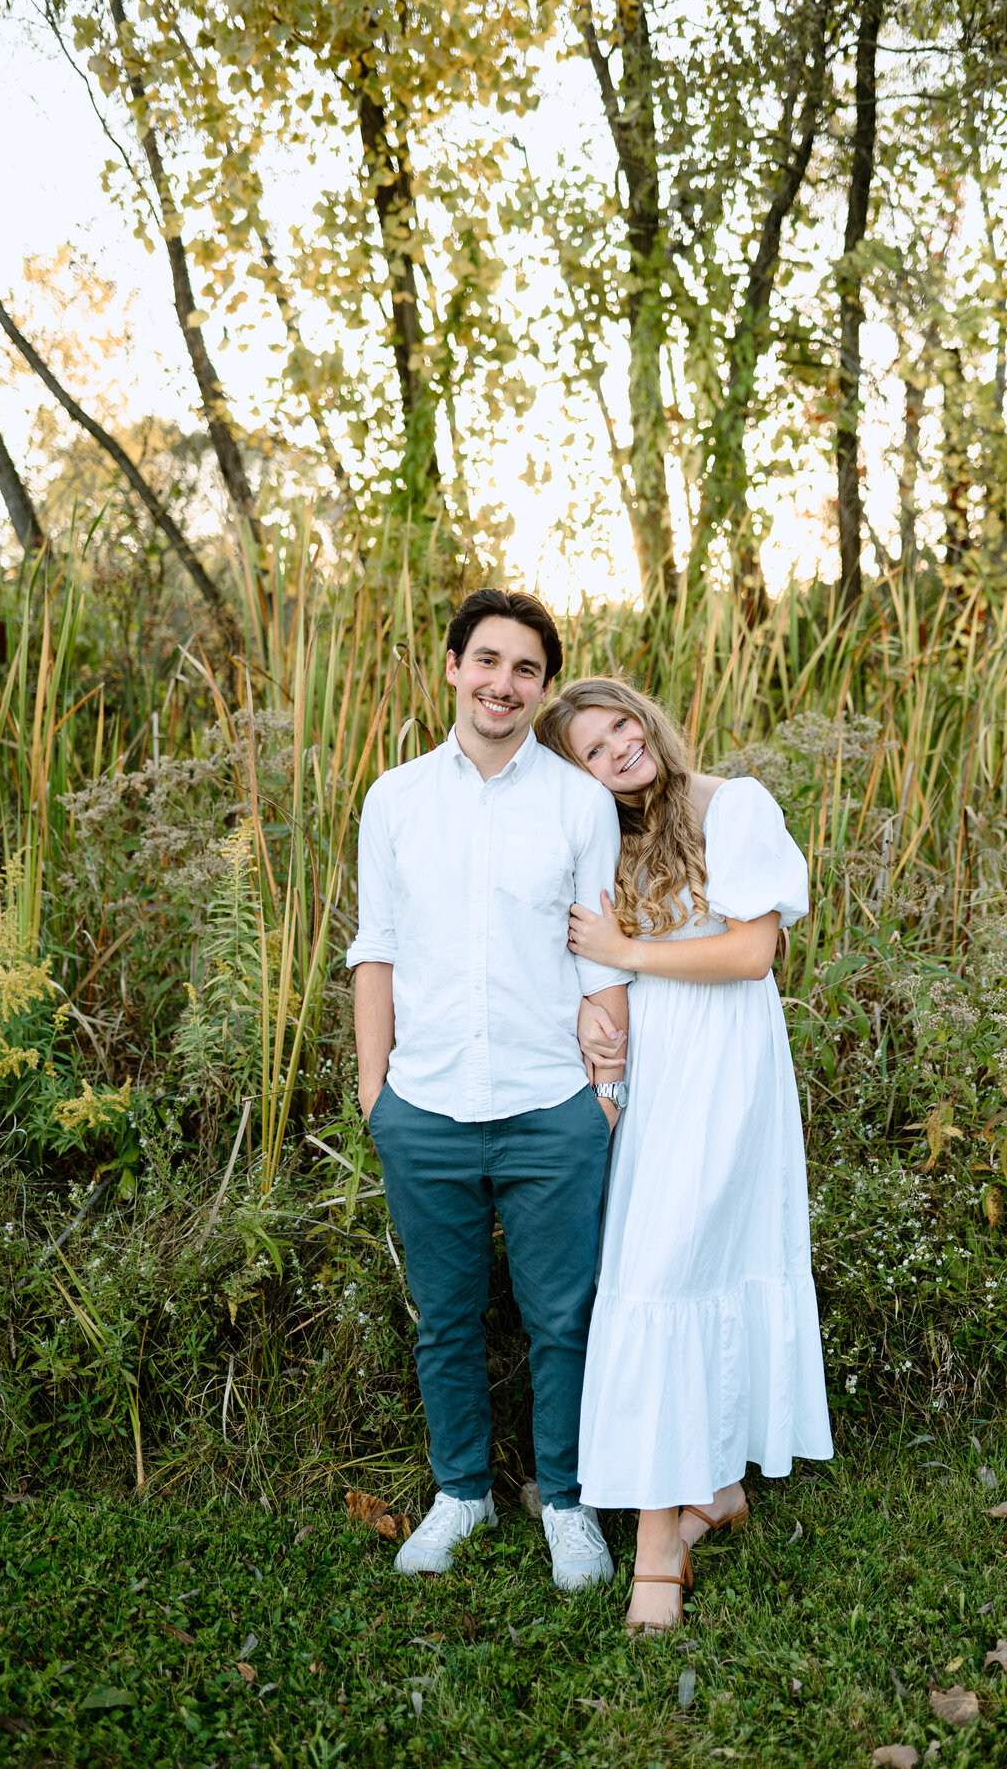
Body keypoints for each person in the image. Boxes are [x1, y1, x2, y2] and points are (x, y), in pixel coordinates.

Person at [348, 591, 631, 1590]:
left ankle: (568, 1501)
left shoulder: (578, 803)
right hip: (424, 1110)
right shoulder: (395, 799)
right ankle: (460, 1493)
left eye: (525, 669)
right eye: (488, 660)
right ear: (454, 666)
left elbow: (603, 964)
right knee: (449, 1316)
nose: (503, 682)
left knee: (564, 1318)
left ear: (543, 687)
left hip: (552, 1108)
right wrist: (377, 1091)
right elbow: (374, 951)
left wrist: (606, 1097)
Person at [536, 677, 832, 1631]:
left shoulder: (729, 803)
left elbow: (752, 954)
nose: (619, 747)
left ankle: (658, 1551)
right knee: (670, 1269)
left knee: (663, 1272)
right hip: (651, 1072)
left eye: (623, 724)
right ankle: (714, 1488)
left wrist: (628, 949)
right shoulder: (602, 835)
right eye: (592, 747)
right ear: (576, 773)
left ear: (647, 719)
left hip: (724, 1065)